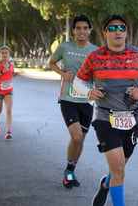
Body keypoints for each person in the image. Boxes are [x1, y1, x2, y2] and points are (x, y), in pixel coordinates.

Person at [73, 14, 138, 206]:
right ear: (105, 33)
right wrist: (88, 92)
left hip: (133, 121)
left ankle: (105, 185)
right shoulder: (95, 57)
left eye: (121, 28)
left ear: (126, 32)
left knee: (118, 168)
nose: (117, 31)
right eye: (112, 28)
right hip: (105, 118)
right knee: (119, 171)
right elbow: (78, 81)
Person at [49, 14, 99, 189]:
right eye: (78, 28)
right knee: (76, 137)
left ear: (89, 30)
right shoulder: (64, 47)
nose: (82, 31)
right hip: (68, 98)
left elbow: (99, 73)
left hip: (86, 100)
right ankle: (69, 171)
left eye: (85, 28)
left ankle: (70, 170)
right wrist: (63, 74)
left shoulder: (95, 50)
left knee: (81, 140)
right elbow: (52, 62)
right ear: (74, 30)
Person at [0, 46, 19, 139]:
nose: (4, 54)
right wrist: (2, 71)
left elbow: (10, 75)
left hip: (8, 90)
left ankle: (8, 131)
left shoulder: (11, 64)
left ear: (9, 54)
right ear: (0, 54)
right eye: (2, 53)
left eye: (6, 53)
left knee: (9, 111)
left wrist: (13, 75)